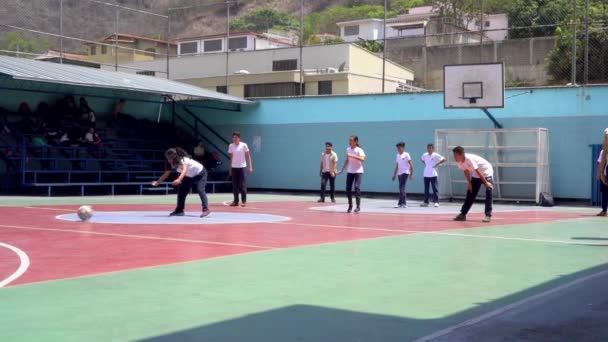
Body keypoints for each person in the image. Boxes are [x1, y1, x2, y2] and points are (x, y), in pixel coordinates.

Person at [152, 147, 210, 218]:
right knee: (181, 190)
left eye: (170, 158)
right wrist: (158, 182)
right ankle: (179, 210)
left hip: (200, 173)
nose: (169, 160)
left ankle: (206, 209)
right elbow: (166, 174)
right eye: (167, 158)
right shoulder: (168, 163)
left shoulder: (182, 160)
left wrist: (179, 179)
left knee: (200, 189)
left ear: (175, 157)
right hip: (188, 176)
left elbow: (184, 170)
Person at [452, 146, 494, 222]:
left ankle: (488, 215)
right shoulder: (459, 161)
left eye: (455, 155)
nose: (454, 157)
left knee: (489, 191)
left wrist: (486, 183)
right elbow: (465, 171)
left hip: (486, 172)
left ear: (461, 154)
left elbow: (478, 170)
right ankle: (463, 214)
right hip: (476, 174)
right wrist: (469, 183)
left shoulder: (469, 159)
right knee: (470, 192)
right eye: (454, 155)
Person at [338, 135, 366, 213]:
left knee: (357, 187)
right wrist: (342, 170)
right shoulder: (348, 149)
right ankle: (350, 205)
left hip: (358, 171)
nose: (349, 142)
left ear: (356, 141)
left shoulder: (359, 150)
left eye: (351, 140)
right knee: (348, 189)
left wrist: (353, 155)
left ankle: (358, 206)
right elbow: (347, 160)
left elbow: (362, 159)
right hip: (350, 171)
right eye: (349, 140)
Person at [228, 131, 253, 207]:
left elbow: (248, 156)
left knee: (242, 185)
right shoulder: (231, 146)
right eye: (233, 137)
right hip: (234, 167)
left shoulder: (244, 145)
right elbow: (231, 158)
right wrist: (230, 168)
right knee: (235, 185)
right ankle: (235, 201)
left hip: (242, 167)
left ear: (239, 138)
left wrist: (250, 166)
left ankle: (244, 201)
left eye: (236, 137)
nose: (234, 139)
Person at [392, 142, 413, 208]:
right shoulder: (398, 155)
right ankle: (401, 203)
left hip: (405, 172)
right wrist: (394, 175)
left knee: (402, 188)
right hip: (399, 173)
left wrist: (411, 174)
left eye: (399, 148)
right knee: (400, 188)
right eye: (397, 148)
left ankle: (403, 203)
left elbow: (411, 164)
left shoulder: (406, 154)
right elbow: (397, 166)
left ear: (403, 148)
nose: (398, 149)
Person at [596, 129, 608, 216]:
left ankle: (604, 210)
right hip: (606, 170)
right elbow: (602, 161)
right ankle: (604, 210)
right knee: (605, 192)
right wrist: (601, 174)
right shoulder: (604, 150)